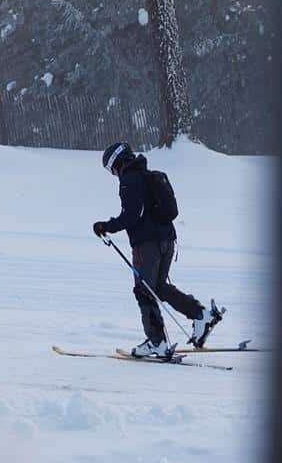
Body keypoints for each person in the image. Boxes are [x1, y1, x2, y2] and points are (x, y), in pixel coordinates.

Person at [92, 141, 223, 358]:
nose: (113, 173)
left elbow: (132, 215)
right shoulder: (148, 175)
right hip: (168, 241)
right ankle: (201, 316)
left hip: (148, 245)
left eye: (111, 167)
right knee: (158, 288)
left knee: (144, 290)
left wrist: (106, 226)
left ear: (117, 161)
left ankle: (157, 342)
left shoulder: (129, 180)